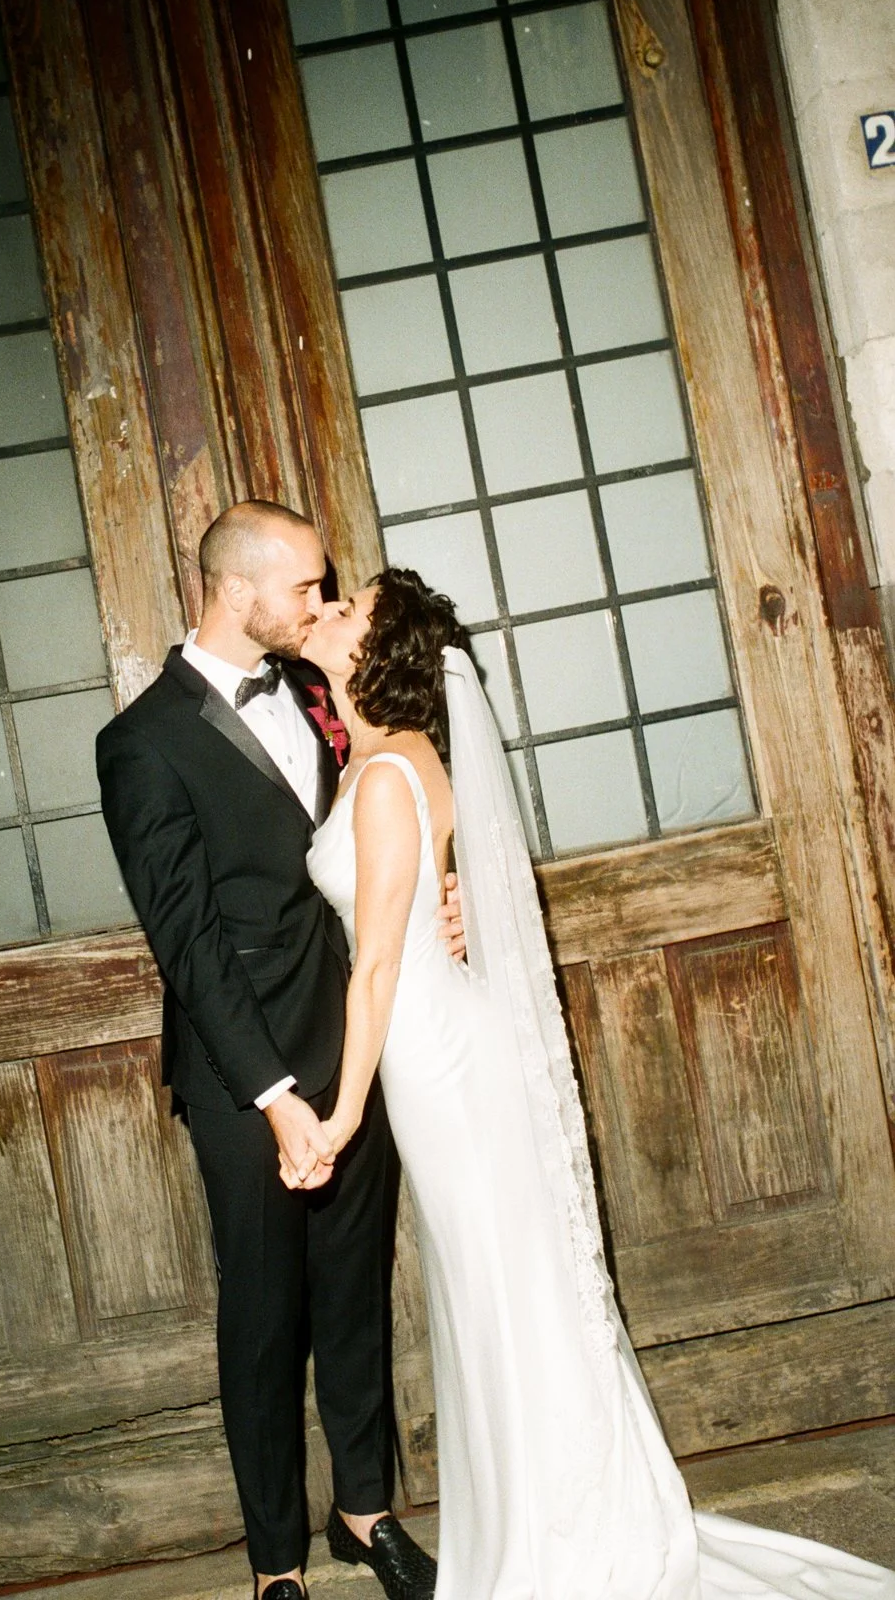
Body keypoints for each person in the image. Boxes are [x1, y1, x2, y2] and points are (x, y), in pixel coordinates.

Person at [297, 565, 895, 1600]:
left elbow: (382, 965)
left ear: (373, 653)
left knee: (499, 1290)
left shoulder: (392, 775)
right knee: (492, 1290)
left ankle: (562, 1542)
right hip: (435, 1048)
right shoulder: (386, 761)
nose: (329, 610)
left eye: (347, 609)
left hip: (435, 1057)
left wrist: (340, 1113)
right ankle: (539, 1522)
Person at [96, 504, 451, 1600]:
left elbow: (383, 835)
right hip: (239, 1069)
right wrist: (273, 1098)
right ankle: (272, 1563)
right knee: (262, 1313)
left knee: (352, 1288)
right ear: (233, 588)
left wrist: (448, 892)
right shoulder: (142, 743)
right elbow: (187, 944)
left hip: (354, 1041)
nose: (319, 603)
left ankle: (364, 1509)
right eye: (304, 586)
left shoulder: (317, 690)